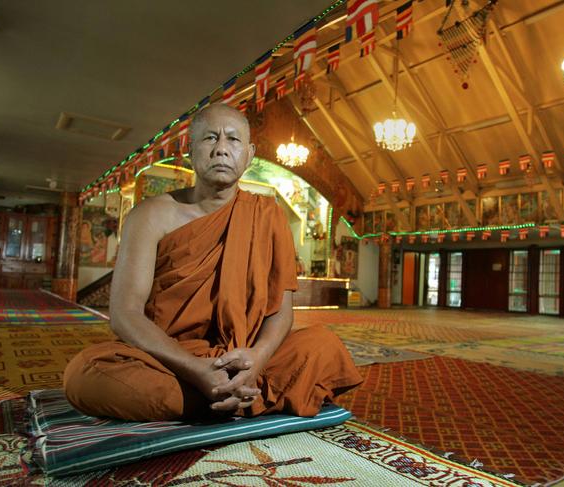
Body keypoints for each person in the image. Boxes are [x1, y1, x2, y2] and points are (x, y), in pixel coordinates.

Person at [63, 104, 362, 421]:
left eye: (233, 140)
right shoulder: (150, 215)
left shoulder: (268, 216)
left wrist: (256, 362)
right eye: (210, 138)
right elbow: (125, 315)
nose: (221, 149)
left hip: (243, 357)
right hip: (168, 357)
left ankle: (227, 394)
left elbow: (281, 312)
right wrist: (197, 370)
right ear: (189, 150)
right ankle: (237, 398)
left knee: (323, 346)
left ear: (248, 154)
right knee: (85, 375)